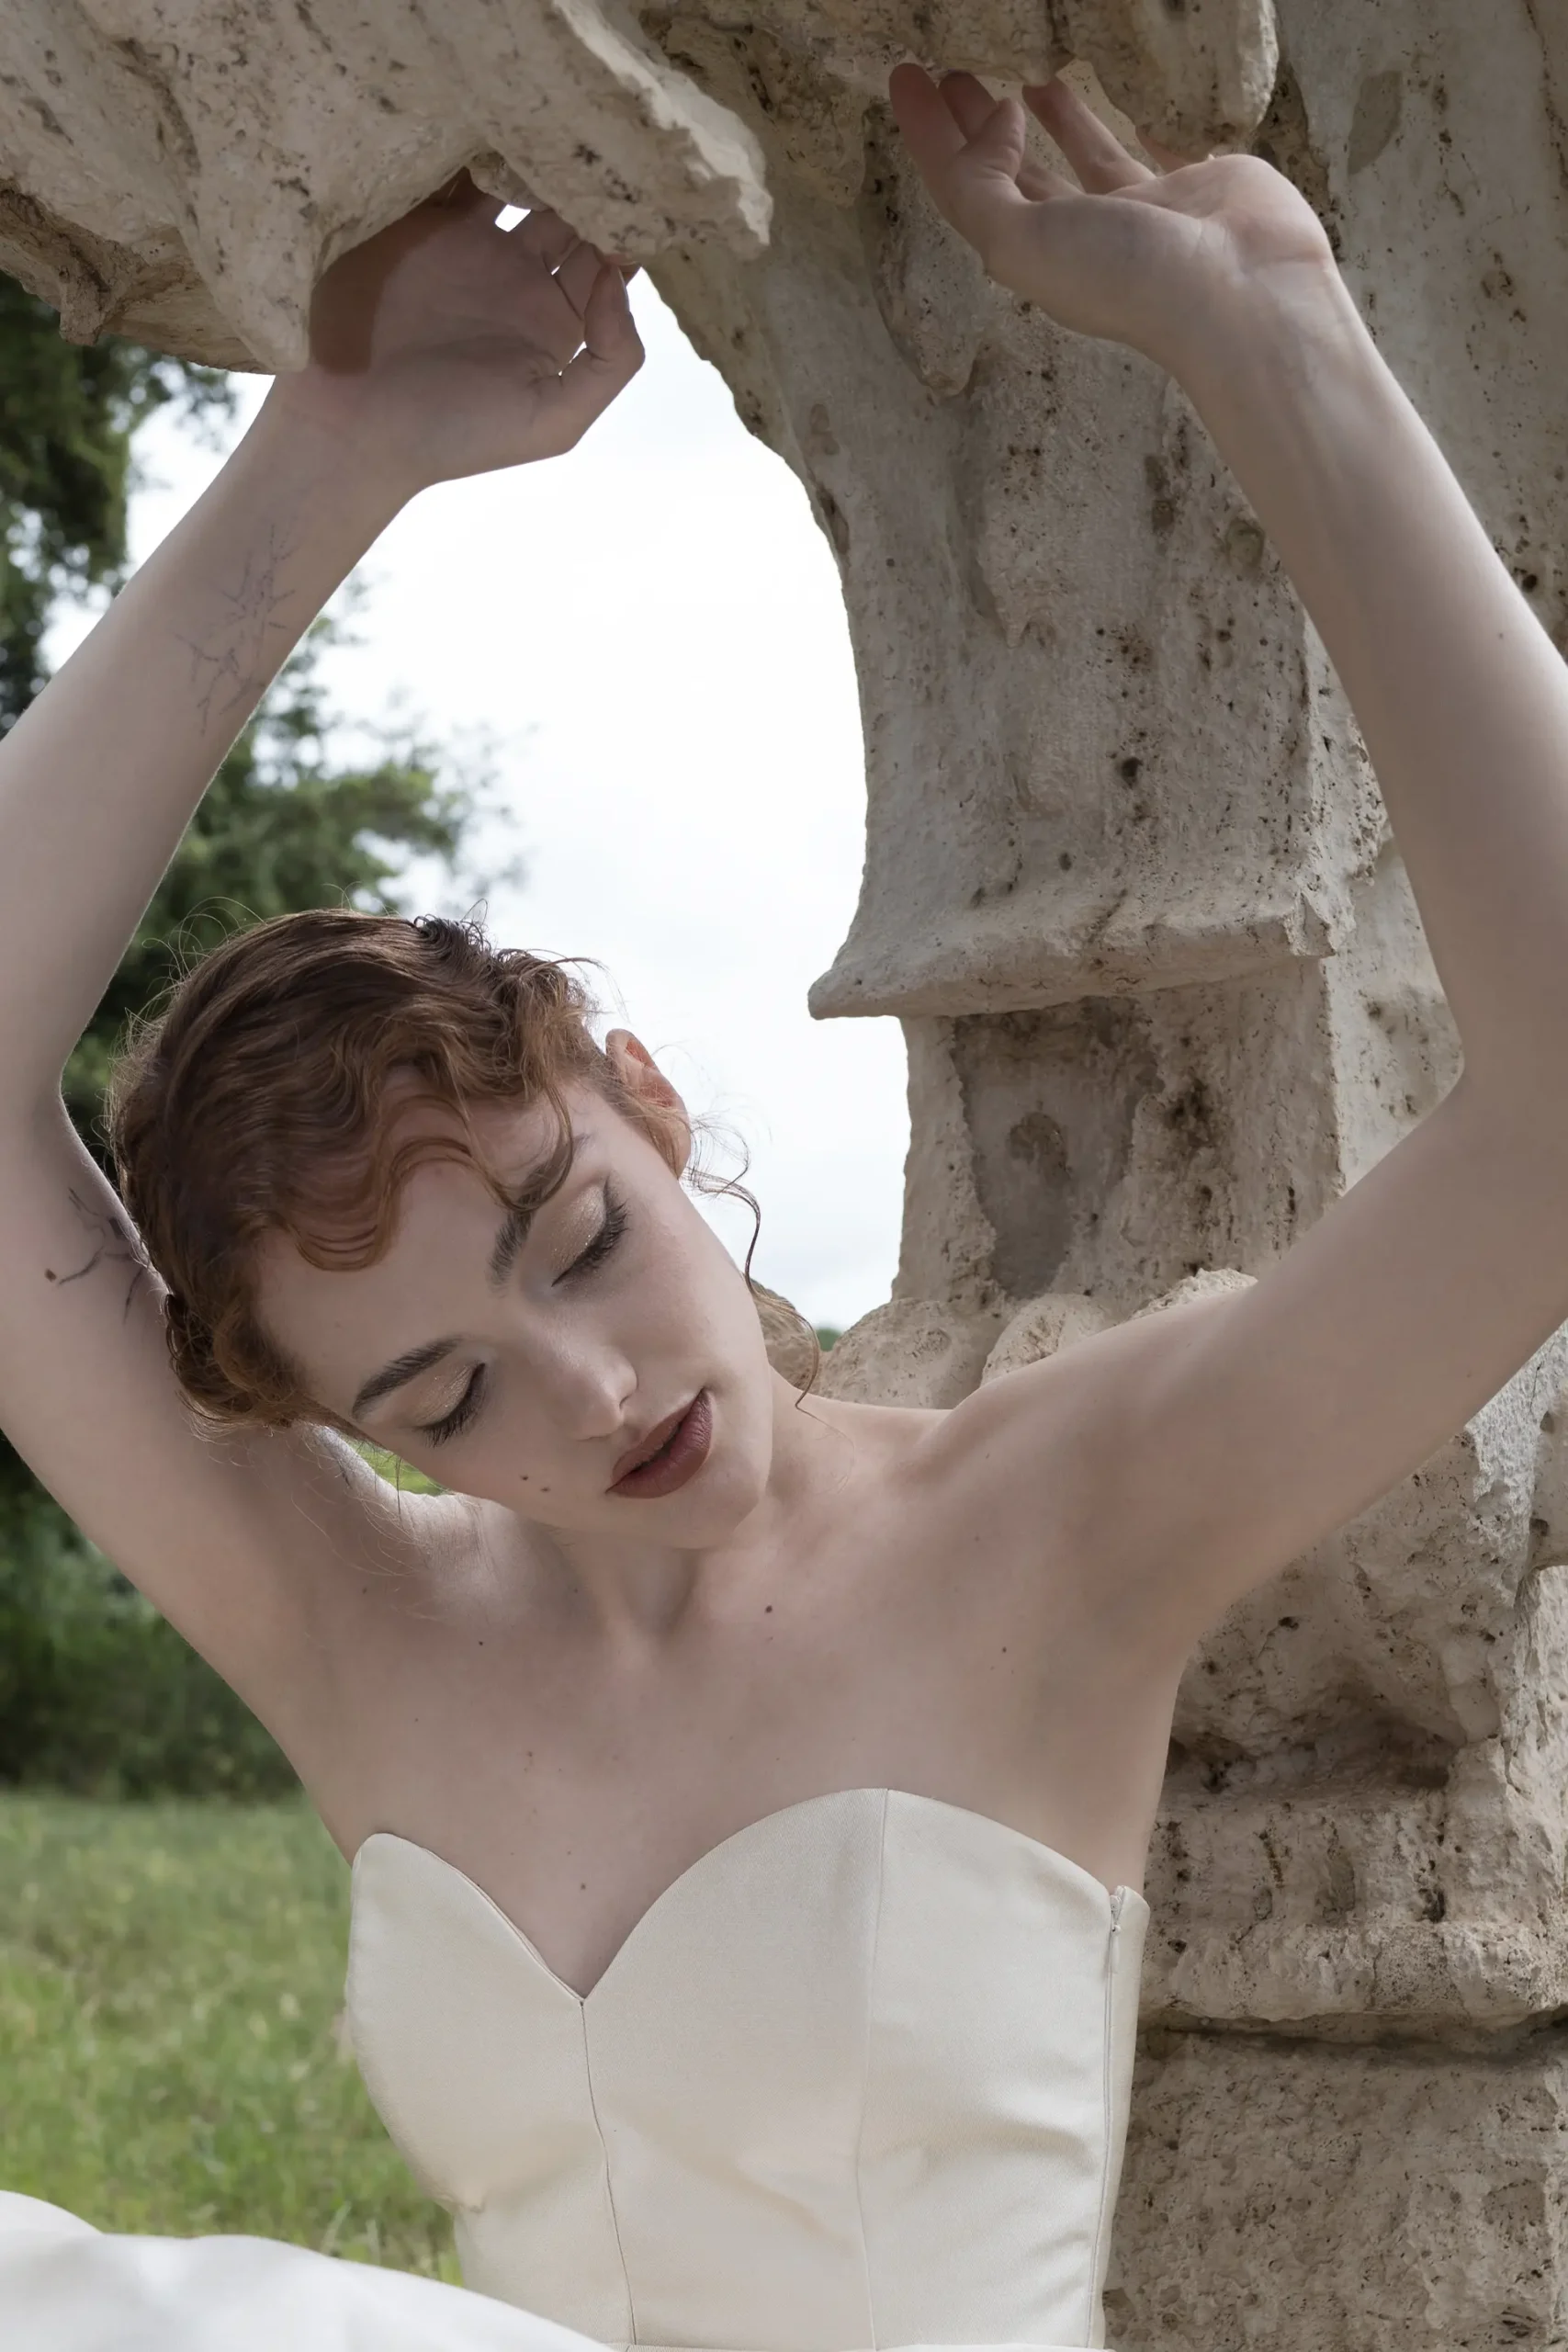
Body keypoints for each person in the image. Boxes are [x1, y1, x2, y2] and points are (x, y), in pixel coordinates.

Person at [2, 58, 1564, 2351]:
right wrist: (328, 454)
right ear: (353, 1430)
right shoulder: (351, 1615)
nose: (590, 1388)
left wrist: (1276, 342)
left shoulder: (1058, 1514)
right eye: (444, 1393)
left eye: (578, 1240)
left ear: (643, 1103)